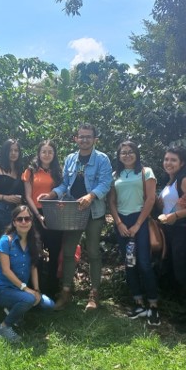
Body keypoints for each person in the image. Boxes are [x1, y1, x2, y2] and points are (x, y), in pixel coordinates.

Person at [39, 123, 112, 311]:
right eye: (81, 136)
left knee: (94, 252)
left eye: (88, 136)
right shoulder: (71, 159)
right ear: (76, 139)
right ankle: (66, 292)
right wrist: (52, 195)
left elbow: (105, 183)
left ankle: (94, 295)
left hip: (94, 212)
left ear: (94, 139)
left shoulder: (102, 159)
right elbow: (64, 185)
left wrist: (91, 196)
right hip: (73, 213)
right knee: (69, 252)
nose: (85, 139)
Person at [108, 141, 160, 326]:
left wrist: (138, 224)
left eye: (130, 152)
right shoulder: (116, 175)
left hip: (141, 221)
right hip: (122, 222)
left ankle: (153, 306)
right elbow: (112, 202)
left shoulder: (146, 172)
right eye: (123, 153)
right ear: (119, 156)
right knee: (130, 263)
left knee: (144, 263)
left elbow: (151, 199)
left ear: (136, 154)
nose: (127, 155)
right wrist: (119, 223)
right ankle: (138, 303)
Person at [0, 205, 54, 343]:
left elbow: (33, 267)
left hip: (19, 289)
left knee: (49, 305)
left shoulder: (33, 242)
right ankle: (3, 328)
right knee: (28, 299)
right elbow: (6, 271)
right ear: (14, 222)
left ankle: (13, 310)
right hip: (2, 289)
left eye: (27, 219)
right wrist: (26, 289)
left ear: (31, 221)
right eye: (20, 219)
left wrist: (36, 290)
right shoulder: (6, 241)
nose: (24, 222)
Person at [157, 146, 186, 333]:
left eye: (173, 160)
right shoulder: (171, 181)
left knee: (185, 274)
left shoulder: (184, 180)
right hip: (172, 232)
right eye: (166, 159)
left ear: (181, 163)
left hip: (184, 232)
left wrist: (176, 216)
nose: (168, 162)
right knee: (180, 273)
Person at [22, 139, 63, 298]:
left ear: (54, 154)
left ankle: (52, 290)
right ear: (39, 153)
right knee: (35, 253)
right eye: (44, 151)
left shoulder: (58, 171)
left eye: (50, 152)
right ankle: (34, 291)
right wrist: (38, 216)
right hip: (35, 214)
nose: (47, 155)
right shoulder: (30, 171)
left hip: (54, 214)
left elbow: (62, 192)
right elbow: (27, 196)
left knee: (54, 253)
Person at [0, 139, 24, 247]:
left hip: (16, 213)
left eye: (16, 150)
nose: (13, 153)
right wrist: (4, 197)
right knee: (2, 245)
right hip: (0, 212)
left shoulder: (21, 172)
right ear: (5, 152)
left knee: (15, 245)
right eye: (10, 150)